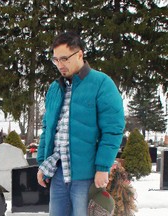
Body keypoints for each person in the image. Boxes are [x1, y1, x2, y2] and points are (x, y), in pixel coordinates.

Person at [36, 31, 125, 216]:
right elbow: (48, 129)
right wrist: (41, 164)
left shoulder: (101, 83)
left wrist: (103, 167)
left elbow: (113, 129)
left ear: (79, 54)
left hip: (86, 176)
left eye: (64, 59)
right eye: (55, 60)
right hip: (58, 173)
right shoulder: (54, 88)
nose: (60, 65)